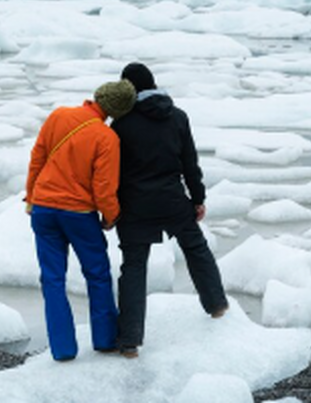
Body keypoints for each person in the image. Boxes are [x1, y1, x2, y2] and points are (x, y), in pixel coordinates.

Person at [111, 62, 229, 358]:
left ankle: (129, 342)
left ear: (128, 87)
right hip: (173, 200)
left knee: (134, 268)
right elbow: (190, 162)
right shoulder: (177, 117)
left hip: (134, 206)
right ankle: (217, 306)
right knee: (196, 248)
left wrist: (110, 207)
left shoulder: (121, 124)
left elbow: (111, 172)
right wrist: (198, 198)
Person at [25, 79, 136, 362]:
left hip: (44, 210)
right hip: (79, 215)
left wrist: (31, 198)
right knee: (97, 275)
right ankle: (105, 339)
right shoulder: (106, 137)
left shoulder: (58, 115)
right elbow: (103, 187)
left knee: (52, 280)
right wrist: (111, 216)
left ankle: (62, 349)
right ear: (119, 111)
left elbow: (37, 158)